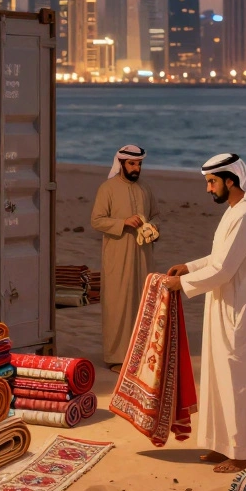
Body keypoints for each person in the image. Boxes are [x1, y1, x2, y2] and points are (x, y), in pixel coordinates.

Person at [162, 154, 246, 473]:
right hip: (224, 305)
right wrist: (189, 267)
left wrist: (181, 283)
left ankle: (243, 454)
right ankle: (221, 444)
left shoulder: (245, 216)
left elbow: (224, 269)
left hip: (240, 310)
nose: (208, 189)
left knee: (237, 382)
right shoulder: (234, 212)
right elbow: (218, 258)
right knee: (218, 378)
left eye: (211, 182)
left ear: (231, 181)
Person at [90, 144, 160, 371]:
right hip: (117, 257)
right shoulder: (107, 188)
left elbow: (156, 215)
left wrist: (155, 228)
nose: (136, 168)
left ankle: (139, 355)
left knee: (141, 303)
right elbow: (97, 220)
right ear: (121, 163)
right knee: (118, 305)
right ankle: (117, 358)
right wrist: (123, 223)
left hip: (143, 257)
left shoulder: (146, 189)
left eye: (139, 164)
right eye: (132, 163)